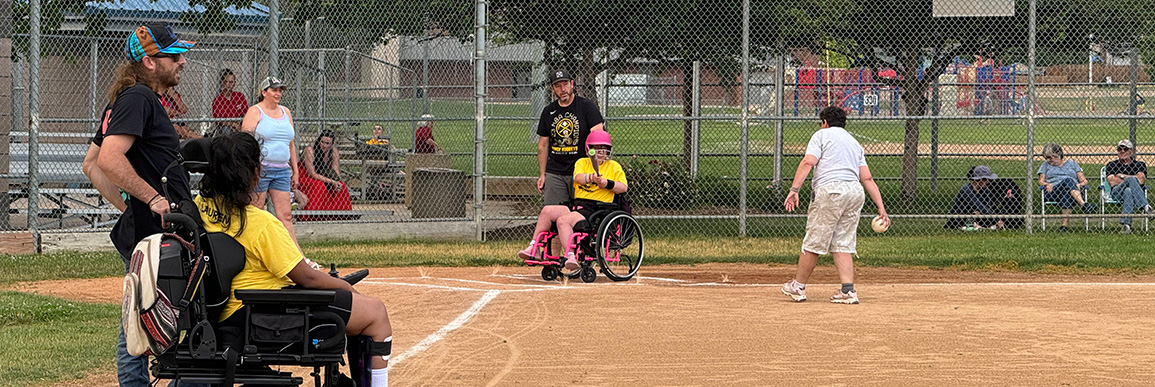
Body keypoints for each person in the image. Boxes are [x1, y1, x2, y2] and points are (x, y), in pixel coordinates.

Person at [195, 132, 393, 386]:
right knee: (376, 313)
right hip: (258, 315)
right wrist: (345, 286)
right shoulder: (260, 223)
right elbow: (307, 278)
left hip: (222, 313)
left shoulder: (200, 205)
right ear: (253, 173)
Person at [90, 22, 195, 387]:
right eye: (173, 55)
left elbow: (91, 162)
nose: (182, 61)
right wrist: (148, 200)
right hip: (153, 234)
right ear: (150, 62)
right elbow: (107, 159)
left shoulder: (137, 97)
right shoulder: (138, 98)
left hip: (152, 229)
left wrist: (130, 206)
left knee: (151, 317)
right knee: (139, 323)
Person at [781, 106, 888, 305]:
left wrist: (794, 190)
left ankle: (798, 286)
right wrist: (881, 208)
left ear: (824, 122)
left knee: (814, 240)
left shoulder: (821, 136)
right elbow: (867, 178)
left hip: (831, 191)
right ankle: (848, 291)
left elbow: (808, 162)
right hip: (855, 193)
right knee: (843, 241)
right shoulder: (854, 143)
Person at [518, 131, 626, 271]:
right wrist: (591, 178)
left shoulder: (614, 166)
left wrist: (606, 183)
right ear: (589, 149)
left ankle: (571, 256)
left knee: (563, 221)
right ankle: (534, 247)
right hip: (578, 205)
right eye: (596, 148)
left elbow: (623, 187)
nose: (600, 152)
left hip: (597, 208)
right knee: (547, 211)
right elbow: (578, 177)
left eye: (604, 148)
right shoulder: (582, 162)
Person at [533, 69, 605, 237]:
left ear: (572, 84)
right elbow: (542, 146)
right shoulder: (548, 111)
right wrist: (542, 174)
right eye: (557, 86)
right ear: (552, 89)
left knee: (581, 218)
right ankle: (554, 261)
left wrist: (595, 168)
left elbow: (598, 135)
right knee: (554, 219)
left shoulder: (586, 106)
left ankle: (581, 258)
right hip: (555, 172)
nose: (562, 89)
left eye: (565, 84)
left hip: (581, 172)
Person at [241, 76, 302, 247]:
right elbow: (245, 141)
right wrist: (252, 168)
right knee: (256, 210)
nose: (278, 93)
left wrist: (295, 171)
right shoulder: (255, 111)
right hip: (261, 168)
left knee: (286, 216)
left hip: (282, 169)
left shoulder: (286, 112)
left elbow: (290, 145)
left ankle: (297, 257)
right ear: (263, 92)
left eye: (280, 90)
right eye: (274, 90)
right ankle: (251, 250)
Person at [1038, 142, 1094, 232]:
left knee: (1067, 192)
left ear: (1058, 155)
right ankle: (1083, 204)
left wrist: (1080, 185)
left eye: (1050, 157)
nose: (1048, 160)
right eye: (1046, 158)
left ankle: (1064, 226)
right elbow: (1041, 181)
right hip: (1054, 191)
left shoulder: (1072, 164)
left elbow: (1084, 181)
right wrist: (1047, 184)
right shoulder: (1045, 165)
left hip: (1071, 191)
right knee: (1068, 180)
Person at [299, 129, 354, 220]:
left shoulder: (333, 152)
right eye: (322, 142)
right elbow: (312, 173)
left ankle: (341, 214)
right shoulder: (310, 150)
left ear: (332, 144)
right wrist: (331, 181)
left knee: (342, 186)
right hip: (305, 175)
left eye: (327, 143)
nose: (324, 145)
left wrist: (337, 182)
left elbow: (335, 170)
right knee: (319, 185)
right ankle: (311, 214)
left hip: (325, 174)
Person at [1105, 139, 1152, 233]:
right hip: (1117, 192)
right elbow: (1112, 181)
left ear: (1131, 151)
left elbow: (1141, 180)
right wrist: (1132, 178)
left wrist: (1121, 176)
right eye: (1120, 149)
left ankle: (1126, 226)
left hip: (1132, 194)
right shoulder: (1111, 165)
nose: (1122, 151)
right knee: (1131, 180)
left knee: (1128, 191)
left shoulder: (1139, 164)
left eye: (1125, 149)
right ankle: (1146, 206)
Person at [946, 165, 1005, 230]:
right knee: (975, 215)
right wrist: (997, 220)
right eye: (985, 179)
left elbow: (987, 207)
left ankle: (977, 226)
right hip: (960, 217)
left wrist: (981, 213)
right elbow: (978, 205)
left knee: (987, 214)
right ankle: (970, 226)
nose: (988, 182)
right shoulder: (966, 190)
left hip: (977, 216)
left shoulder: (985, 191)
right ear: (978, 180)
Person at [211, 68, 248, 136]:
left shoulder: (239, 96)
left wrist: (238, 124)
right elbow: (220, 121)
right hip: (227, 127)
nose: (228, 84)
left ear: (234, 83)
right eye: (225, 82)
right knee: (226, 129)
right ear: (222, 83)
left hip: (239, 124)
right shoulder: (218, 100)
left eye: (231, 82)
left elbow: (245, 113)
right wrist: (233, 125)